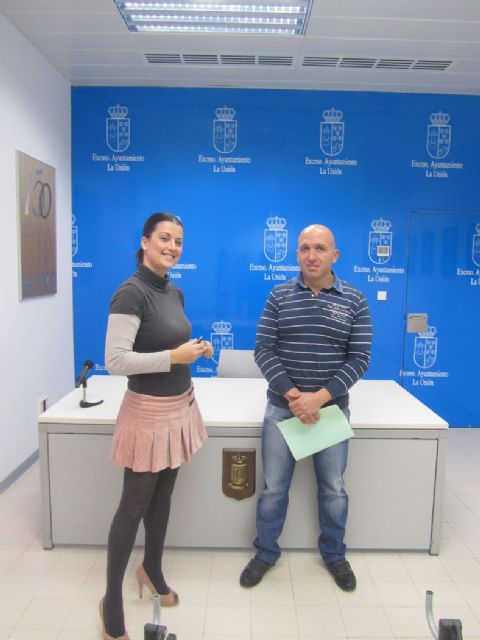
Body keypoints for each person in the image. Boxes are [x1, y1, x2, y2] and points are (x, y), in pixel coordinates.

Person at [240, 224, 372, 592]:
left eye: (320, 248)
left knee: (334, 490)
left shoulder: (355, 300)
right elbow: (263, 349)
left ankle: (334, 555)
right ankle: (265, 553)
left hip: (330, 412)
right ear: (297, 253)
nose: (311, 256)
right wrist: (295, 396)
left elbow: (360, 358)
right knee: (273, 489)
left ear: (335, 255)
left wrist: (319, 398)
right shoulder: (279, 295)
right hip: (282, 410)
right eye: (304, 248)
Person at [100, 212, 213, 639]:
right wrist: (173, 357)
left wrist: (194, 349)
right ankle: (111, 600)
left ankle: (151, 569)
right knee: (132, 508)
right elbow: (116, 361)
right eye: (164, 238)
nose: (172, 247)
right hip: (147, 414)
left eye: (178, 241)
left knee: (163, 499)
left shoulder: (173, 290)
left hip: (179, 408)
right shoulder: (131, 292)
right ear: (145, 241)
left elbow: (167, 342)